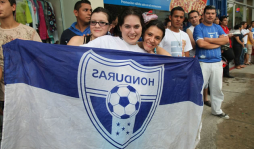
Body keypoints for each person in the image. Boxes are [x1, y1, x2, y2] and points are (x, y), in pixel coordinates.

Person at [0, 0, 41, 116]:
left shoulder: (29, 32)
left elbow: (41, 59)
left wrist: (26, 48)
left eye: (2, 2)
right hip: (6, 94)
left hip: (29, 91)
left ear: (13, 7)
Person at [193, 5, 229, 119]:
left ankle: (217, 110)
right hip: (203, 62)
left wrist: (208, 39)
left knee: (217, 88)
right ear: (203, 15)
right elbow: (201, 44)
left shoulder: (218, 27)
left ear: (215, 15)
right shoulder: (199, 28)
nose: (210, 15)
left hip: (217, 62)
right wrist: (219, 43)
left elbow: (226, 40)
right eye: (208, 13)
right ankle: (194, 113)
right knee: (198, 89)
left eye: (213, 13)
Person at [80, 6, 146, 53]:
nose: (132, 31)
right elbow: (75, 53)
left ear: (142, 27)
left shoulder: (145, 56)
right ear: (120, 27)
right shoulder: (105, 42)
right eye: (127, 26)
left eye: (136, 27)